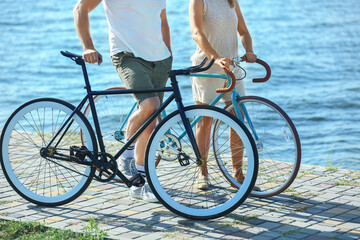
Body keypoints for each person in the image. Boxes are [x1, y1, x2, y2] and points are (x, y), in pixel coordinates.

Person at [73, 0, 172, 202]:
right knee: (150, 106)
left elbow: (162, 21)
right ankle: (127, 154)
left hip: (161, 59)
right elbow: (80, 8)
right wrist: (88, 47)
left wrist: (168, 54)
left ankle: (140, 183)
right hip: (128, 56)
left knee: (151, 123)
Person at [189, 0, 257, 190]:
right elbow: (196, 32)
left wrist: (249, 50)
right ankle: (203, 174)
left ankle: (238, 175)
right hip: (208, 67)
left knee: (238, 118)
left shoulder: (231, 1)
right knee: (206, 119)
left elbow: (242, 31)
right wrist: (216, 57)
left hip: (232, 67)